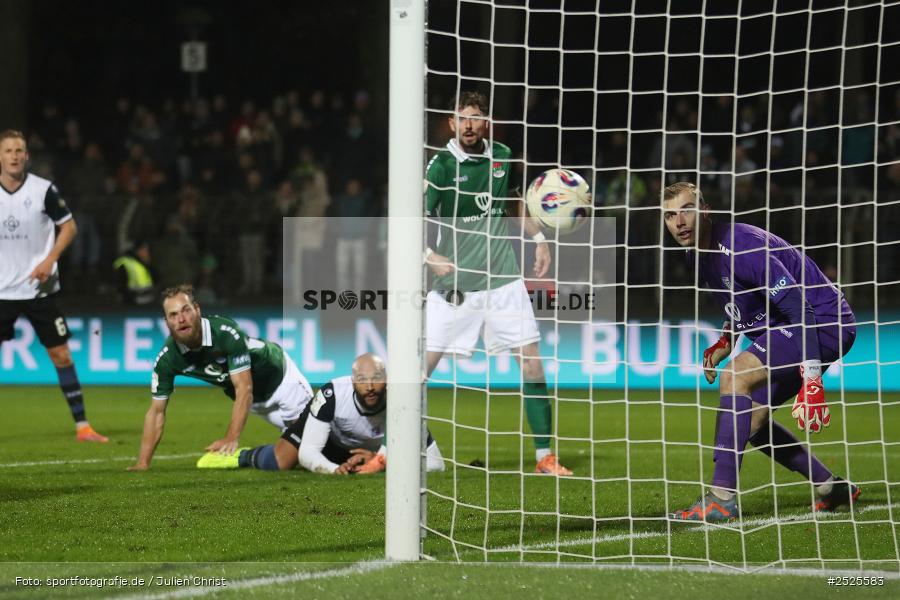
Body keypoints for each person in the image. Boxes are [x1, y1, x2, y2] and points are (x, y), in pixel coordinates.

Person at [662, 182, 859, 522]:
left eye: (687, 209)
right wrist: (726, 340)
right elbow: (742, 303)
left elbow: (800, 308)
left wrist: (812, 379)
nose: (679, 221)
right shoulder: (698, 253)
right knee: (751, 424)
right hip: (788, 325)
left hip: (822, 322)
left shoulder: (742, 246)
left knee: (736, 376)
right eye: (669, 215)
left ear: (705, 210)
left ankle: (721, 499)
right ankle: (831, 487)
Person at [424, 92, 570, 475]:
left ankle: (545, 457)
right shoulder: (440, 166)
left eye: (476, 117)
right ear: (451, 123)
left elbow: (513, 203)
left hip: (503, 281)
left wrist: (539, 241)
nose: (469, 124)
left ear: (486, 121)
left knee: (533, 366)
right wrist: (428, 255)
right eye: (462, 118)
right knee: (416, 371)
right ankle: (391, 450)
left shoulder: (502, 154)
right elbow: (417, 217)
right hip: (455, 285)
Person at [127, 284, 313, 471]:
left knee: (312, 446)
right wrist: (143, 463)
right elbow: (156, 412)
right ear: (166, 322)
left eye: (186, 310)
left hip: (282, 381)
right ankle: (243, 457)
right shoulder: (167, 360)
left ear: (197, 310)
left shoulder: (225, 332)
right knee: (298, 451)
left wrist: (231, 437)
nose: (181, 319)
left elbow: (244, 387)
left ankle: (243, 455)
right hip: (256, 402)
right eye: (173, 315)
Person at [0, 129, 107, 442]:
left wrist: (50, 260)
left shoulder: (44, 190)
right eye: (9, 151)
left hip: (39, 290)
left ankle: (83, 426)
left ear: (27, 155)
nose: (15, 156)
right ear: (0, 156)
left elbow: (69, 227)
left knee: (61, 355)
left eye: (20, 150)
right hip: (2, 291)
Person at [196, 353, 445, 475]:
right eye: (362, 379)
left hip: (362, 450)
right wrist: (333, 470)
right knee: (281, 462)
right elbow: (308, 453)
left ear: (388, 380)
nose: (369, 386)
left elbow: (437, 464)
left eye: (376, 378)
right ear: (352, 380)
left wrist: (381, 461)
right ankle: (242, 456)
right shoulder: (333, 394)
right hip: (326, 437)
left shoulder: (404, 403)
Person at [113, 239, 155, 305]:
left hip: (146, 302)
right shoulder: (126, 263)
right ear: (138, 250)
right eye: (145, 249)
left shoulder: (144, 263)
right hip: (131, 304)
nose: (147, 252)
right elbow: (119, 286)